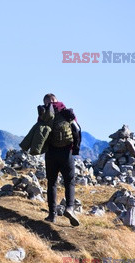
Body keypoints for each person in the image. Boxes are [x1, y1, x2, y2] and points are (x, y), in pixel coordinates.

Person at [42, 93, 81, 226]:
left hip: (51, 153)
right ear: (56, 100)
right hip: (66, 153)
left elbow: (39, 134)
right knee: (69, 181)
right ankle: (70, 208)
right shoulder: (66, 112)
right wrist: (75, 149)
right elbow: (77, 129)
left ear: (46, 101)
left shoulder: (44, 114)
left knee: (52, 183)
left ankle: (52, 215)